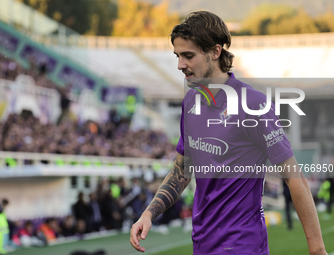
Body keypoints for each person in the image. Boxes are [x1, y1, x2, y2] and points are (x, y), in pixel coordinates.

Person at [130, 11, 328, 255]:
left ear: (215, 52)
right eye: (178, 56)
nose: (180, 64)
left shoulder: (253, 104)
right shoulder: (191, 101)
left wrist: (317, 249)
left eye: (188, 56)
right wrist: (149, 214)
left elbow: (294, 178)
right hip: (202, 246)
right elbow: (182, 171)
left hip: (243, 247)